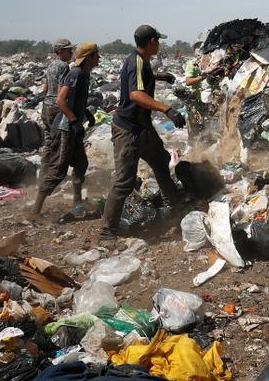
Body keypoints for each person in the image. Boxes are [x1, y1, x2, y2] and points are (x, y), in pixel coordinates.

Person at [100, 25, 187, 242]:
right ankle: (107, 232)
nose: (160, 44)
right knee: (124, 181)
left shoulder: (141, 61)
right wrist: (167, 109)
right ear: (151, 42)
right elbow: (136, 94)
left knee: (161, 162)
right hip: (128, 130)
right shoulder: (136, 61)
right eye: (158, 41)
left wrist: (158, 76)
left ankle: (174, 210)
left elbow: (138, 78)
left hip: (143, 128)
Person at [30, 43, 99, 221]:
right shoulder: (76, 74)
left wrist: (86, 113)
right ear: (89, 58)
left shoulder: (83, 74)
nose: (99, 58)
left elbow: (74, 99)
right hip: (64, 128)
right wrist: (74, 120)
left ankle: (77, 200)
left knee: (81, 164)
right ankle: (35, 211)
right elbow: (61, 99)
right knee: (58, 169)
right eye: (96, 56)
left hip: (72, 127)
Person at [41, 39, 74, 131]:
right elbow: (61, 90)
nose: (71, 53)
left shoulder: (51, 65)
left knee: (48, 136)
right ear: (60, 51)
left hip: (46, 106)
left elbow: (45, 89)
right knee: (58, 137)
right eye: (69, 51)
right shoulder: (64, 66)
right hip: (56, 107)